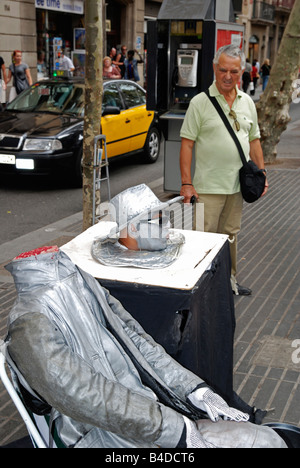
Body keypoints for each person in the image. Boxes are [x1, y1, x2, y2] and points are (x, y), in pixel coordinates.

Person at [4, 245, 287, 448]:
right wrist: (176, 429)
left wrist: (192, 389)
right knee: (265, 440)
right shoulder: (29, 321)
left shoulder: (82, 282)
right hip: (103, 436)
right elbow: (82, 396)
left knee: (267, 440)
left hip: (149, 418)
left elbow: (139, 342)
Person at [179, 45, 268, 296]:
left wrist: (262, 174)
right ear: (214, 69)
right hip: (207, 187)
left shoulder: (247, 102)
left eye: (234, 71)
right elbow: (186, 145)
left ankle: (228, 282)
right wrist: (187, 183)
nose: (228, 76)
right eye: (223, 70)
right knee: (204, 239)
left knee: (230, 236)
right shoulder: (199, 103)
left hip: (237, 186)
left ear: (242, 72)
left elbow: (255, 141)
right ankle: (201, 287)